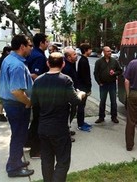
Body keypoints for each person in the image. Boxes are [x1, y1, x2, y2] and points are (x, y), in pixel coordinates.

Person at [31, 52, 86, 182]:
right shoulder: (65, 80)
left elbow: (34, 102)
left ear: (48, 63)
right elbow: (75, 101)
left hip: (43, 127)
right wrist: (81, 94)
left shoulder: (38, 80)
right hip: (60, 128)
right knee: (63, 160)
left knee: (47, 160)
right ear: (63, 64)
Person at [0, 34, 34, 177]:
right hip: (17, 105)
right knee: (18, 136)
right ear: (22, 47)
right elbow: (16, 91)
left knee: (19, 134)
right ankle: (13, 168)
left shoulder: (10, 59)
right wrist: (28, 102)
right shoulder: (17, 65)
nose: (31, 48)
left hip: (12, 104)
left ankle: (17, 161)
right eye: (29, 45)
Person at [25, 32, 49, 158]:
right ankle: (35, 150)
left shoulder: (34, 53)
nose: (48, 43)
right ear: (41, 43)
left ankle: (27, 142)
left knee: (36, 121)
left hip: (34, 93)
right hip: (39, 94)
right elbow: (34, 75)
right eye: (47, 41)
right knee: (39, 121)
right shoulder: (39, 57)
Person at [94, 46, 122, 124]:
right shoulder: (99, 62)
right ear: (104, 52)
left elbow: (120, 71)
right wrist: (99, 82)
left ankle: (114, 117)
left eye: (110, 51)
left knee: (113, 101)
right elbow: (96, 73)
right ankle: (101, 117)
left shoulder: (114, 61)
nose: (109, 52)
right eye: (107, 51)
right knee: (102, 101)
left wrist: (115, 73)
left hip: (112, 84)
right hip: (103, 85)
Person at [62, 47, 80, 141]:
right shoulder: (66, 67)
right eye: (74, 54)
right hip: (67, 95)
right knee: (68, 114)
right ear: (68, 57)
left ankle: (67, 130)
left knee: (73, 112)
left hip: (73, 92)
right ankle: (65, 134)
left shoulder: (72, 64)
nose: (76, 55)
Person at [77, 43, 92, 131]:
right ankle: (80, 124)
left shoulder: (84, 59)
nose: (91, 51)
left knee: (83, 105)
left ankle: (82, 121)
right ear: (86, 50)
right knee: (81, 106)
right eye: (90, 49)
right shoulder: (83, 61)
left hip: (83, 86)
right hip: (83, 87)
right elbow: (85, 76)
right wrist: (88, 88)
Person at [0, 45, 12, 122]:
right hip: (5, 81)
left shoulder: (2, 58)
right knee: (3, 98)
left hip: (2, 80)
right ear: (7, 51)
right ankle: (0, 114)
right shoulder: (5, 59)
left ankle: (2, 113)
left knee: (2, 97)